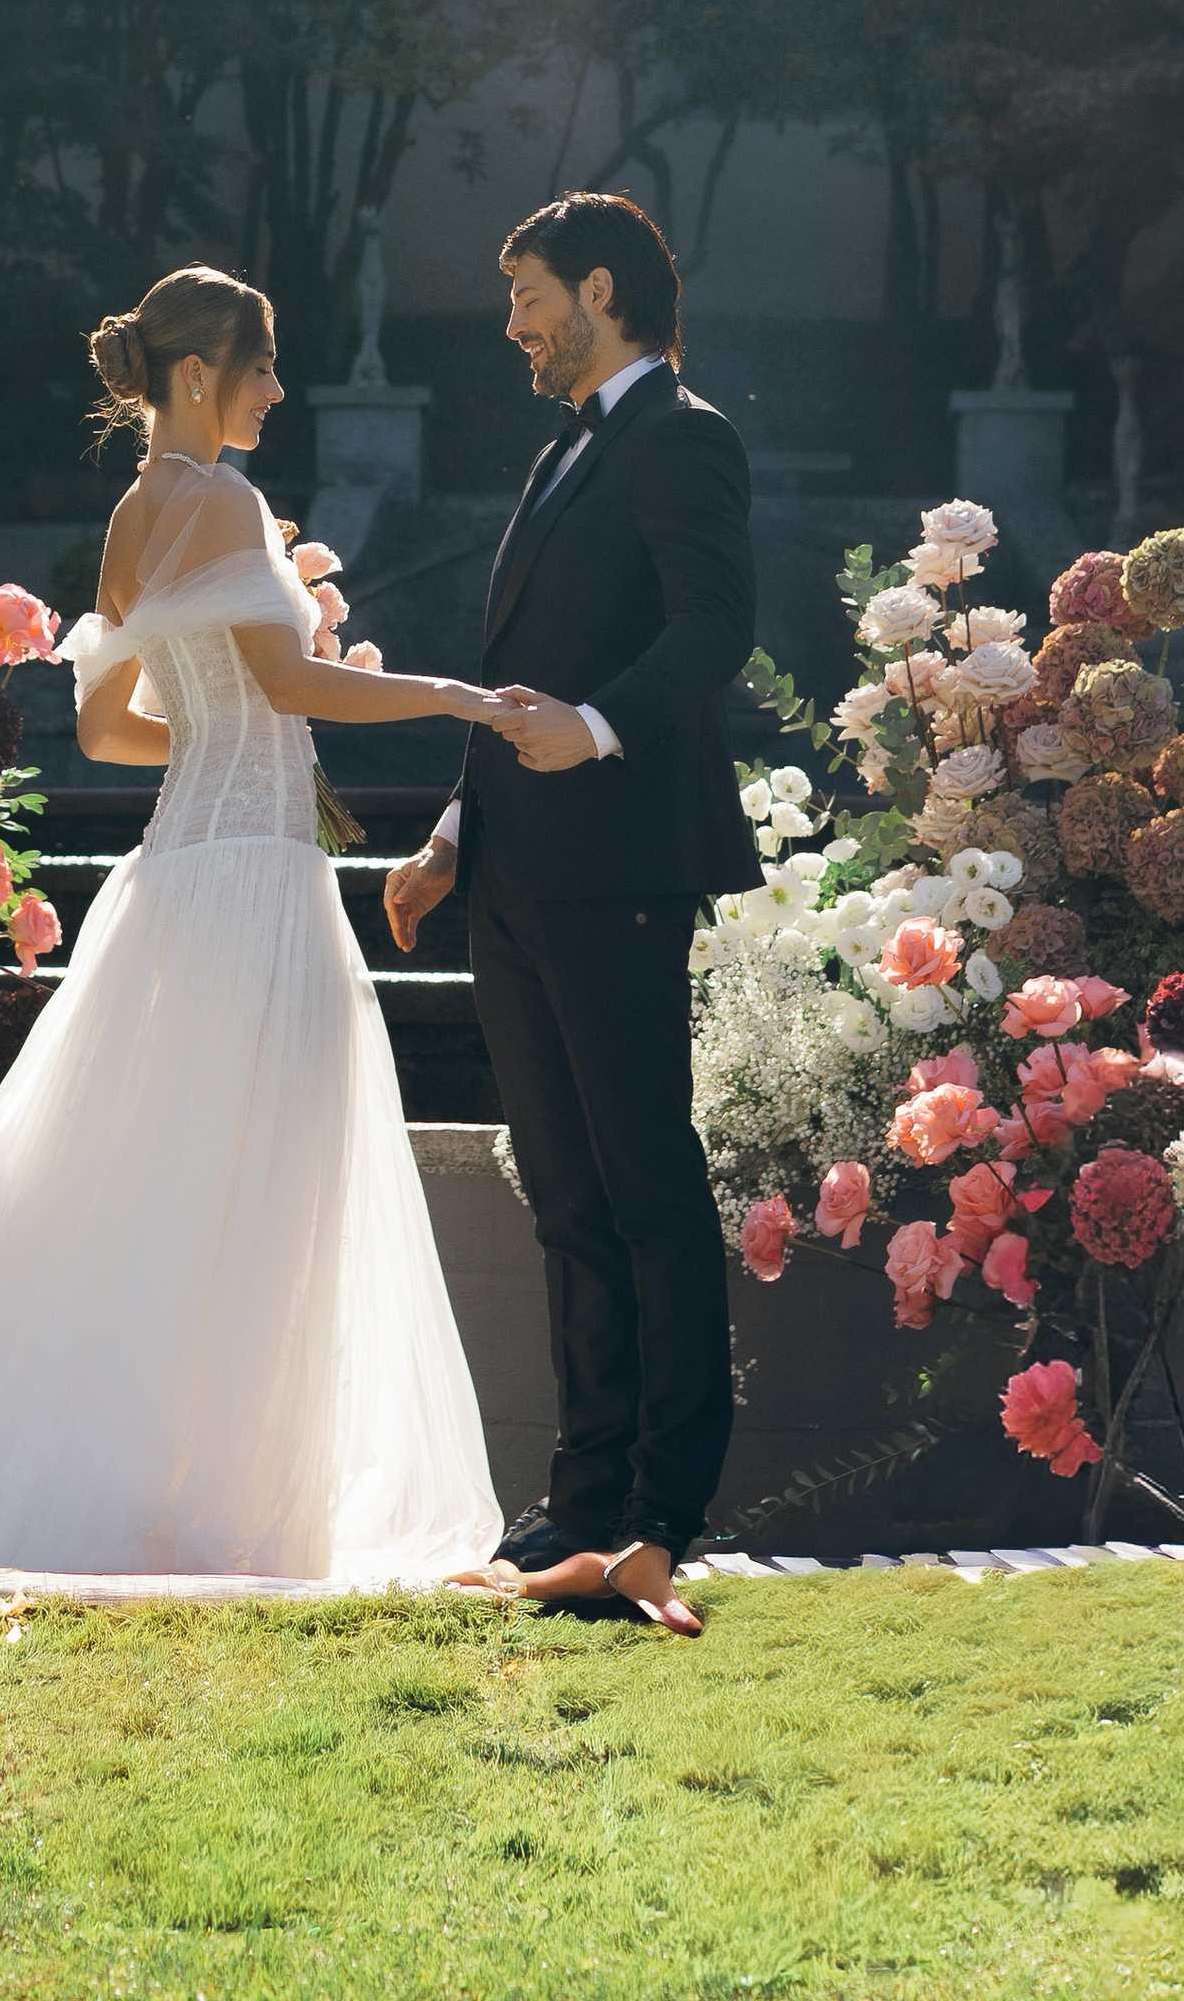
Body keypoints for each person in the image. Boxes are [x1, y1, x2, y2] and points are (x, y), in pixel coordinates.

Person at [0, 265, 510, 1585]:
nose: (277, 388)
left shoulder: (137, 514)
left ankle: (155, 1495)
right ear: (199, 376)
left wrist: (241, 743)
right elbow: (287, 676)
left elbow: (103, 724)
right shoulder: (227, 500)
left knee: (162, 1177)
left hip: (181, 870)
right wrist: (462, 700)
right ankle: (232, 1509)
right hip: (251, 878)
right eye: (262, 366)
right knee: (262, 1177)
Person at [386, 194, 758, 1637]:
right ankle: (583, 1497)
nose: (513, 324)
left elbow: (715, 629)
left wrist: (600, 729)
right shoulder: (563, 455)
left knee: (649, 1188)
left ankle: (669, 1509)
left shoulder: (687, 436)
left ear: (599, 289)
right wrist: (448, 837)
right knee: (568, 1197)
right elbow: (514, 682)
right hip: (515, 877)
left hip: (619, 875)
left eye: (528, 294)